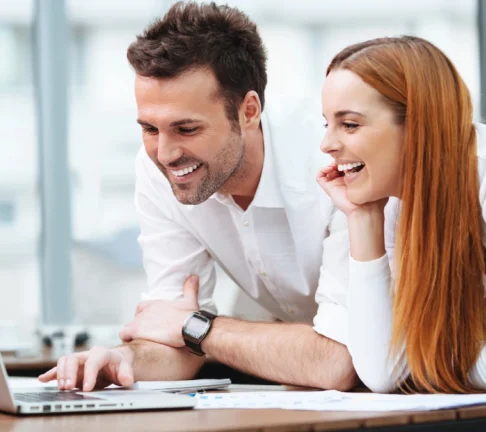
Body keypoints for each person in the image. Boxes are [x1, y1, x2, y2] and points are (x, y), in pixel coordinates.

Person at [38, 1, 356, 392]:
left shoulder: (334, 161)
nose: (166, 154)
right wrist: (124, 360)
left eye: (186, 129)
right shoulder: (160, 171)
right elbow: (172, 334)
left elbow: (338, 361)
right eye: (150, 129)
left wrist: (196, 327)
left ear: (249, 111)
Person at [317, 35, 486, 393]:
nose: (326, 144)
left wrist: (425, 366)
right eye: (325, 123)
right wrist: (362, 220)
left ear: (419, 123)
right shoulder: (401, 201)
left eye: (350, 124)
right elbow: (384, 372)